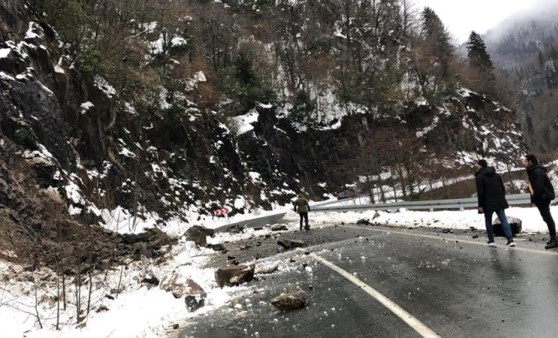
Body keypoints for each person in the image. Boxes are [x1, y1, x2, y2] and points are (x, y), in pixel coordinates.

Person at [475, 159, 515, 247]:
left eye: (477, 165)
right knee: (503, 220)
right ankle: (510, 239)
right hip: (499, 201)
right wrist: (501, 198)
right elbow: (502, 188)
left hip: (487, 202)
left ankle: (491, 240)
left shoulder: (480, 177)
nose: (476, 167)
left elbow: (480, 192)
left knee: (488, 221)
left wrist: (480, 205)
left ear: (480, 166)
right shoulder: (496, 175)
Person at [523, 154, 557, 249]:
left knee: (547, 218)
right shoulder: (533, 171)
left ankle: (554, 240)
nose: (524, 163)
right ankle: (553, 238)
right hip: (541, 197)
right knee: (546, 218)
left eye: (525, 161)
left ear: (530, 162)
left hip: (543, 197)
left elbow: (539, 187)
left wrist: (535, 197)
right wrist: (529, 188)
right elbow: (536, 185)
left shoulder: (537, 171)